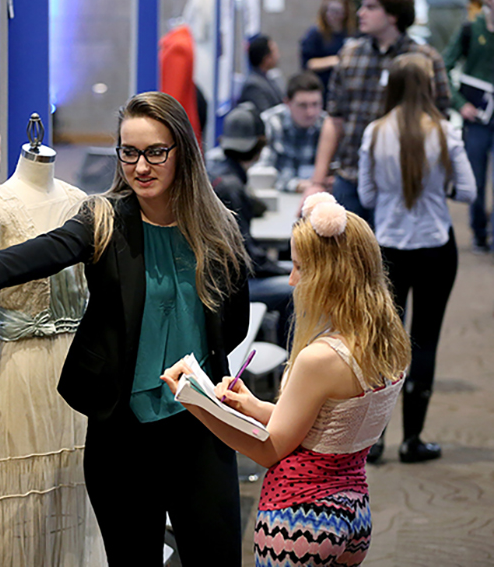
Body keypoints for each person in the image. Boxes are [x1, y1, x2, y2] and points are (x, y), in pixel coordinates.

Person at [0, 91, 251, 566]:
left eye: (156, 152)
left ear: (182, 152)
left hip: (198, 428)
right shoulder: (104, 218)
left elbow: (233, 322)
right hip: (124, 438)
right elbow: (48, 249)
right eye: (128, 152)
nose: (141, 166)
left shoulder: (218, 229)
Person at [162, 192, 410, 566]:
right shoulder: (386, 339)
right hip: (354, 511)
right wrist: (254, 406)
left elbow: (270, 450)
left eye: (300, 268)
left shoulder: (320, 358)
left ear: (330, 275)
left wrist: (195, 403)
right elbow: (326, 428)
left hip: (300, 516)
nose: (293, 280)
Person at [0, 138, 104, 566]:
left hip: (77, 367)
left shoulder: (81, 203)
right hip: (20, 371)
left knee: (76, 493)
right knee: (18, 511)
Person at [357, 53, 476, 463]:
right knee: (425, 340)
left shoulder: (374, 133)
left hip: (388, 249)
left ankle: (375, 440)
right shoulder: (445, 132)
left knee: (384, 343)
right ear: (427, 87)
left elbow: (368, 196)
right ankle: (413, 440)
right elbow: (468, 191)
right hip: (434, 247)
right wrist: (434, 190)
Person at [305, 0, 451, 222]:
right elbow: (334, 119)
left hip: (401, 184)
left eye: (371, 7)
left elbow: (440, 124)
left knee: (393, 260)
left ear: (393, 15)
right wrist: (317, 182)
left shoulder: (426, 60)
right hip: (350, 178)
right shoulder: (350, 55)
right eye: (362, 5)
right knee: (347, 259)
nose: (361, 12)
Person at [209, 102, 294, 348]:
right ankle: (289, 365)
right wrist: (285, 270)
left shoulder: (220, 174)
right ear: (260, 144)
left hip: (218, 280)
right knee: (297, 287)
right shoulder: (231, 186)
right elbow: (249, 259)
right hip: (229, 286)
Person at [442, 0, 494, 252]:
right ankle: (479, 232)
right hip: (476, 119)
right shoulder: (469, 31)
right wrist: (459, 103)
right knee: (475, 178)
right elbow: (443, 68)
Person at [258, 71, 325, 193]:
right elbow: (261, 174)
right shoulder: (270, 123)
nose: (310, 112)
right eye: (303, 105)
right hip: (278, 197)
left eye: (315, 104)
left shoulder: (327, 125)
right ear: (287, 103)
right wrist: (296, 185)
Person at [300, 0, 355, 100]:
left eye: (338, 12)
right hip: (324, 87)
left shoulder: (353, 33)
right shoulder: (315, 34)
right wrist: (335, 60)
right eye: (329, 11)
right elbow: (308, 64)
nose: (332, 15)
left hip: (348, 86)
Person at [238, 34, 283, 115]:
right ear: (266, 58)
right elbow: (266, 114)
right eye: (275, 52)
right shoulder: (253, 86)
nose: (278, 56)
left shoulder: (270, 78)